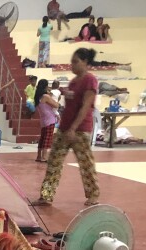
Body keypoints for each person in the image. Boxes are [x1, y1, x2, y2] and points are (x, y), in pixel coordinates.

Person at [34, 48, 100, 207]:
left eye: (75, 61)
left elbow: (86, 107)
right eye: (71, 61)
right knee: (54, 162)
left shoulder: (90, 80)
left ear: (85, 62)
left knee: (86, 164)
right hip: (64, 128)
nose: (72, 65)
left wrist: (74, 128)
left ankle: (93, 195)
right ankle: (46, 195)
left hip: (80, 130)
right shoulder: (73, 82)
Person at [35, 79, 60, 162]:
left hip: (43, 119)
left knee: (42, 138)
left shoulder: (37, 97)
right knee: (47, 138)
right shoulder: (46, 97)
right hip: (50, 119)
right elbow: (56, 105)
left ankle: (39, 156)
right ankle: (44, 157)